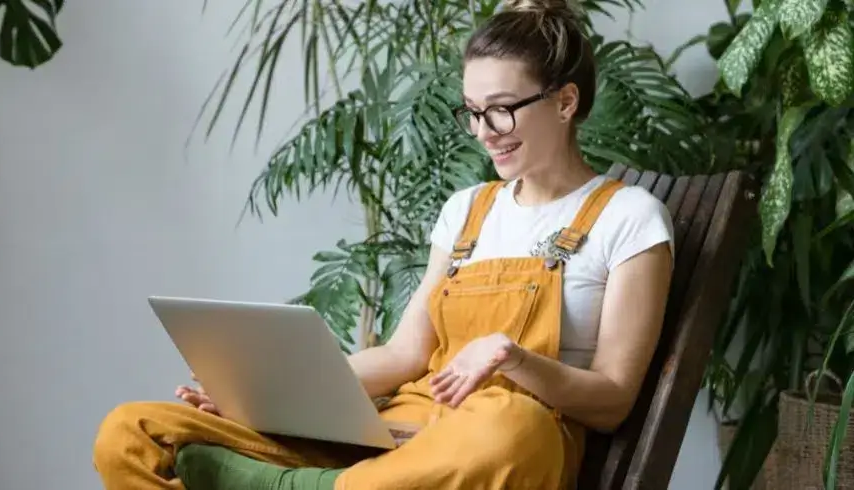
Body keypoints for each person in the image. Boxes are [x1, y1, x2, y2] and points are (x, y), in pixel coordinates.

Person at [92, 0, 675, 488]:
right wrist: (264, 398)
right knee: (132, 432)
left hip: (498, 442)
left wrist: (515, 361)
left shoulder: (629, 219)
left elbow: (613, 400)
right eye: (471, 113)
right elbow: (404, 357)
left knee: (510, 427)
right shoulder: (466, 210)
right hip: (409, 432)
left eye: (500, 111)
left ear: (566, 102)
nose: (482, 134)